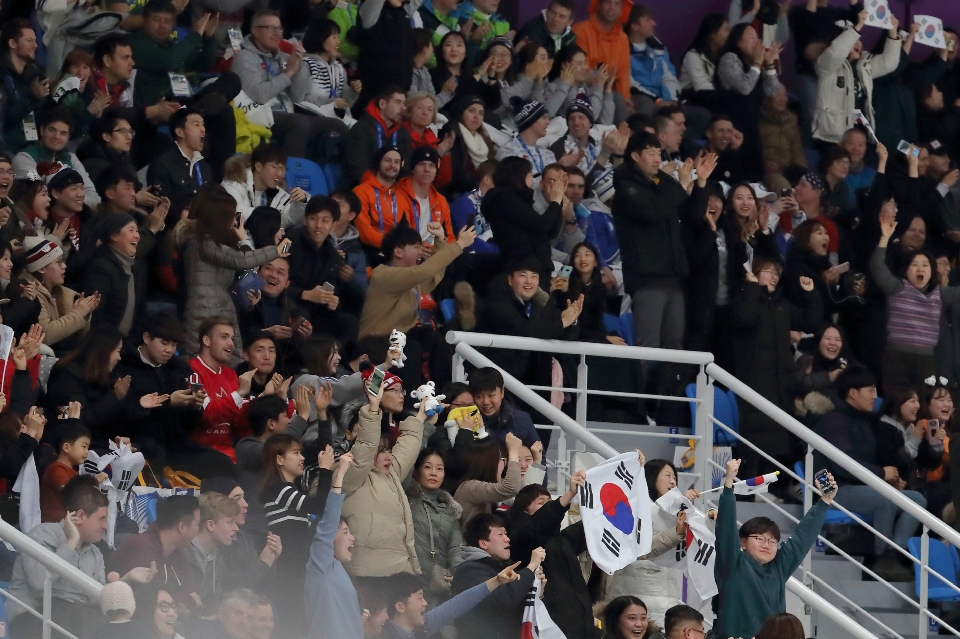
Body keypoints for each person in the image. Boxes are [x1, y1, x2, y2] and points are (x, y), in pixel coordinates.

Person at [813, 366, 927, 580]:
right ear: (853, 393)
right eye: (870, 391)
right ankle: (879, 555)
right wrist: (881, 474)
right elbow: (843, 464)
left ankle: (894, 554)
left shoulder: (865, 421)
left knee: (917, 500)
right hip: (830, 487)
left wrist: (890, 479)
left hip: (863, 486)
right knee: (884, 499)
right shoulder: (833, 421)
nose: (875, 397)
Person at [612, 132, 712, 351]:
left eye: (658, 153)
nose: (657, 158)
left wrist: (700, 183)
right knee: (649, 346)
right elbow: (651, 211)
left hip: (673, 276)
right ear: (636, 156)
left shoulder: (662, 181)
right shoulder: (626, 184)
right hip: (646, 278)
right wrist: (681, 186)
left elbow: (693, 216)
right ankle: (641, 387)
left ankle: (668, 386)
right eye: (651, 153)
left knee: (674, 346)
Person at [716, 458, 834, 638]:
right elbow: (726, 527)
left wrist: (825, 500)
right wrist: (729, 484)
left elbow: (802, 537)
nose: (766, 544)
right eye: (759, 538)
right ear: (743, 543)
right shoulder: (733, 563)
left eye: (772, 541)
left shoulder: (778, 566)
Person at [732, 258, 822, 488]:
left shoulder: (782, 305)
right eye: (768, 272)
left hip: (781, 385)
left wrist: (810, 293)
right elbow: (744, 318)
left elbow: (810, 321)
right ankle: (747, 490)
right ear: (754, 274)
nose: (774, 277)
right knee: (753, 441)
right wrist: (751, 287)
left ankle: (769, 490)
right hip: (754, 382)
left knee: (778, 443)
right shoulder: (744, 294)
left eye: (776, 273)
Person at [359, 222, 473, 388]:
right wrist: (459, 245)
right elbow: (423, 271)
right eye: (415, 246)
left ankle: (444, 391)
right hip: (374, 343)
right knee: (411, 348)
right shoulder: (383, 274)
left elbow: (433, 275)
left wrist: (440, 240)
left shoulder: (411, 279)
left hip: (398, 339)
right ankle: (409, 403)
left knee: (433, 337)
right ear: (398, 252)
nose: (421, 251)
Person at [178, 185, 289, 356]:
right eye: (230, 215)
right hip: (203, 314)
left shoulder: (216, 243)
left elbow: (242, 266)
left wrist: (246, 298)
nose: (234, 220)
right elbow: (240, 260)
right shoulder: (200, 242)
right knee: (203, 364)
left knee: (232, 364)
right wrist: (275, 251)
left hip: (221, 311)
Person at [342, 374, 431, 576]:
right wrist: (374, 406)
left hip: (403, 572)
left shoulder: (389, 474)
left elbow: (407, 448)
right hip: (369, 578)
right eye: (380, 451)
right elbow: (365, 447)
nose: (388, 456)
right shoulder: (348, 474)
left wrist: (420, 418)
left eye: (389, 450)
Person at [234, 9, 349, 159]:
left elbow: (298, 95)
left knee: (337, 125)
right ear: (254, 31)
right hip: (260, 114)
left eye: (279, 28)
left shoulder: (281, 57)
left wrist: (298, 68)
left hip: (286, 112)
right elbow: (260, 95)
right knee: (298, 124)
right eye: (270, 28)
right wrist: (287, 74)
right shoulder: (245, 58)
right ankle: (291, 175)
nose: (277, 33)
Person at [7, 477, 111, 638]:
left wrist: (128, 580)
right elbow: (39, 581)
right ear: (81, 515)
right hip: (33, 616)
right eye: (101, 519)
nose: (105, 526)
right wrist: (71, 543)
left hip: (76, 619)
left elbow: (97, 599)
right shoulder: (42, 534)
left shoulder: (96, 554)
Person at [872, 212, 960, 393]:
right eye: (915, 264)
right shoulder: (897, 287)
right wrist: (885, 237)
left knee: (923, 407)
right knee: (898, 403)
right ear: (906, 270)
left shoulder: (940, 293)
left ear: (932, 272)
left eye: (925, 265)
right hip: (895, 357)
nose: (920, 268)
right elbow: (877, 267)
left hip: (927, 360)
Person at [258, 433, 334, 637]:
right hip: (287, 573)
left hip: (298, 571)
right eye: (295, 453)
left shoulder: (289, 490)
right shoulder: (276, 489)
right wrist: (325, 470)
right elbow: (317, 505)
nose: (302, 458)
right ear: (279, 459)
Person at [812, 10, 901, 148]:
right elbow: (836, 52)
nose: (858, 43)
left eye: (859, 39)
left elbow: (889, 63)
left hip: (859, 133)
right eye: (853, 40)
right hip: (834, 137)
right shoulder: (826, 64)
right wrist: (859, 25)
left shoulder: (863, 65)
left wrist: (893, 31)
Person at [451, 512, 541, 639]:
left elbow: (516, 606)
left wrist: (537, 588)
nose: (507, 539)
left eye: (506, 534)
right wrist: (530, 568)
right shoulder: (469, 570)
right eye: (500, 534)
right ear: (483, 543)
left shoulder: (499, 567)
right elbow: (505, 598)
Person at [380, 562, 526, 639]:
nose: (425, 603)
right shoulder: (378, 635)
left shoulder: (424, 625)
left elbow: (458, 603)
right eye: (419, 597)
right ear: (400, 607)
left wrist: (496, 581)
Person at [287, 195, 362, 343]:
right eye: (314, 219)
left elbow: (333, 291)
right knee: (301, 316)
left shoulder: (333, 256)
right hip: (289, 307)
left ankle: (337, 362)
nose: (319, 226)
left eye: (325, 221)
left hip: (317, 314)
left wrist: (332, 303)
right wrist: (305, 294)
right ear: (305, 219)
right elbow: (272, 283)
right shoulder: (289, 242)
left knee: (349, 321)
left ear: (333, 225)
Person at [110, 495, 201, 611]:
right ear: (182, 527)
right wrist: (190, 601)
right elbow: (155, 601)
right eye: (198, 524)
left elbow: (192, 592)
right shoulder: (142, 547)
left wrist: (187, 602)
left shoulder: (178, 552)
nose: (199, 530)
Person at [715, 23, 781, 181]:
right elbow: (745, 87)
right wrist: (758, 64)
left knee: (755, 177)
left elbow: (772, 91)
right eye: (752, 38)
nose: (758, 42)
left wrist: (769, 64)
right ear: (738, 42)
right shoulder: (729, 59)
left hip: (752, 127)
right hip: (733, 128)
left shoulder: (753, 62)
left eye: (758, 38)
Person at [483, 158, 564, 283]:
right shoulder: (506, 199)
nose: (533, 178)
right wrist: (555, 202)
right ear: (519, 175)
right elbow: (541, 225)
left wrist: (558, 202)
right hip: (524, 268)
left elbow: (549, 232)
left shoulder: (519, 199)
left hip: (536, 267)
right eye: (530, 173)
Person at [20, 236, 98, 353]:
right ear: (41, 269)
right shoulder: (30, 292)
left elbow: (77, 335)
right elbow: (45, 335)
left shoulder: (64, 293)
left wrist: (85, 312)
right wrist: (78, 314)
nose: (64, 266)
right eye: (58, 262)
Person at [406, 447, 466, 599]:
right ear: (416, 470)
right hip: (410, 580)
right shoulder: (407, 500)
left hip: (438, 583)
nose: (434, 473)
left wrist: (458, 575)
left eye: (439, 469)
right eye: (427, 467)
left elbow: (456, 548)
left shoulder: (449, 509)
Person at [12, 106, 100, 207]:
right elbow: (35, 196)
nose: (57, 137)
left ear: (68, 138)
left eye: (63, 133)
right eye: (52, 130)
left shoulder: (72, 159)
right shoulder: (25, 158)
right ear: (41, 130)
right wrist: (73, 201)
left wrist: (66, 201)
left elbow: (94, 198)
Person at [82, 213, 145, 336]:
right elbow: (96, 314)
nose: (137, 236)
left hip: (126, 345)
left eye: (137, 231)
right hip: (103, 345)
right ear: (114, 235)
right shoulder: (100, 268)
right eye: (131, 230)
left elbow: (141, 312)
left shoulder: (136, 266)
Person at [221, 143, 309, 230]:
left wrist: (302, 202)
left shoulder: (276, 191)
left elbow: (286, 219)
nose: (280, 174)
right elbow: (234, 214)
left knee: (291, 239)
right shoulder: (233, 185)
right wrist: (270, 216)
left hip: (262, 242)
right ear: (258, 166)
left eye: (282, 168)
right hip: (233, 241)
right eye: (275, 167)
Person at [184, 492, 241, 617]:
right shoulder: (182, 552)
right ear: (210, 525)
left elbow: (215, 600)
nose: (236, 528)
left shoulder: (218, 556)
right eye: (230, 522)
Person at [346, 86, 413, 187]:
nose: (403, 108)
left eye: (404, 103)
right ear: (382, 104)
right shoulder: (361, 129)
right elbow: (358, 169)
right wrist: (382, 188)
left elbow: (405, 169)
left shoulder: (403, 133)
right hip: (362, 191)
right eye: (398, 102)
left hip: (393, 192)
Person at [572, 0, 631, 109]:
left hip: (609, 92)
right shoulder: (581, 30)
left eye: (617, 4)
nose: (612, 7)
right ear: (598, 6)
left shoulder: (623, 38)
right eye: (608, 2)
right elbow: (581, 72)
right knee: (617, 98)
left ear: (621, 10)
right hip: (583, 90)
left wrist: (626, 99)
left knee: (622, 101)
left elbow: (623, 75)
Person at [0, 20, 48, 154]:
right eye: (29, 40)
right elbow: (5, 120)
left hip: (32, 149)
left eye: (35, 40)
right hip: (7, 152)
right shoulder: (2, 76)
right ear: (12, 43)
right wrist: (32, 97)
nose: (35, 45)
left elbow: (42, 116)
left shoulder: (35, 75)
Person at [454, 433, 522, 528]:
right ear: (489, 463)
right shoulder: (470, 487)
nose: (504, 463)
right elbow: (511, 487)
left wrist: (537, 461)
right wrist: (513, 452)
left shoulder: (486, 485)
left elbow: (525, 498)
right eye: (502, 459)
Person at [146, 108, 214, 203]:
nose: (203, 129)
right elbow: (160, 203)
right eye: (196, 125)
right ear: (180, 132)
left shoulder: (204, 167)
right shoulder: (162, 164)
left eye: (203, 124)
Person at [353, 145, 414, 251]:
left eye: (396, 162)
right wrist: (393, 247)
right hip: (368, 251)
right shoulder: (361, 192)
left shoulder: (401, 197)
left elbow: (406, 232)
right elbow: (365, 234)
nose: (392, 165)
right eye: (387, 160)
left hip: (396, 252)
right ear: (378, 163)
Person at [429, 32, 501, 114]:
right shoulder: (433, 75)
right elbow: (456, 102)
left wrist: (492, 76)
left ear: (465, 52)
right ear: (441, 52)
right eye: (448, 45)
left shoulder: (470, 77)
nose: (454, 49)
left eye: (459, 45)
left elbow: (492, 104)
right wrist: (479, 73)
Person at [396, 146, 456, 244]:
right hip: (410, 252)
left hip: (436, 252)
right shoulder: (399, 196)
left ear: (436, 170)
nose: (427, 169)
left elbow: (450, 237)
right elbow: (400, 235)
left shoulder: (440, 200)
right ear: (412, 169)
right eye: (421, 164)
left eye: (432, 165)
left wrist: (437, 249)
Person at [302, 18, 362, 113]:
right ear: (320, 38)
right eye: (334, 37)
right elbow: (300, 99)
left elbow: (345, 103)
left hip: (337, 119)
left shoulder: (338, 67)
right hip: (312, 117)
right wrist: (331, 102)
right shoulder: (305, 65)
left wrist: (353, 91)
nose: (338, 42)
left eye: (338, 37)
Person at [39, 420, 94, 523]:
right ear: (66, 447)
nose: (87, 451)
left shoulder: (73, 472)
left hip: (68, 526)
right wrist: (95, 481)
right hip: (54, 528)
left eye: (88, 447)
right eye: (83, 446)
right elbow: (70, 493)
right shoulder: (56, 469)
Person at [760, 83, 807, 192]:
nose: (783, 99)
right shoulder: (758, 122)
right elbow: (751, 151)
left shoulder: (792, 120)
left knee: (811, 187)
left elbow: (797, 153)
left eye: (785, 95)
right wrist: (763, 164)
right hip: (769, 173)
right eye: (778, 95)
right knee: (785, 189)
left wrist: (805, 175)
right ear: (766, 99)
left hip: (790, 170)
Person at [679, 12, 729, 108]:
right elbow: (702, 87)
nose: (728, 34)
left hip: (712, 98)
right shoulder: (692, 55)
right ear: (712, 33)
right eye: (726, 30)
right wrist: (727, 96)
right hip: (690, 100)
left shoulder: (723, 56)